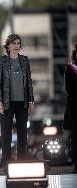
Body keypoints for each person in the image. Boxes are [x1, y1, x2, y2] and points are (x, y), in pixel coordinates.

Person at [0, 34, 34, 167]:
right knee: (6, 134)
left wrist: (31, 101)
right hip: (7, 103)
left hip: (22, 102)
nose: (17, 46)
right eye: (14, 43)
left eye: (18, 43)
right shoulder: (2, 61)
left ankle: (22, 162)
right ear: (8, 46)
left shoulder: (24, 60)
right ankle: (7, 163)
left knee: (23, 133)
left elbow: (29, 82)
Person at [63, 43, 77, 173]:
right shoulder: (70, 68)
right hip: (75, 107)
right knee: (75, 137)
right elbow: (69, 88)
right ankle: (76, 162)